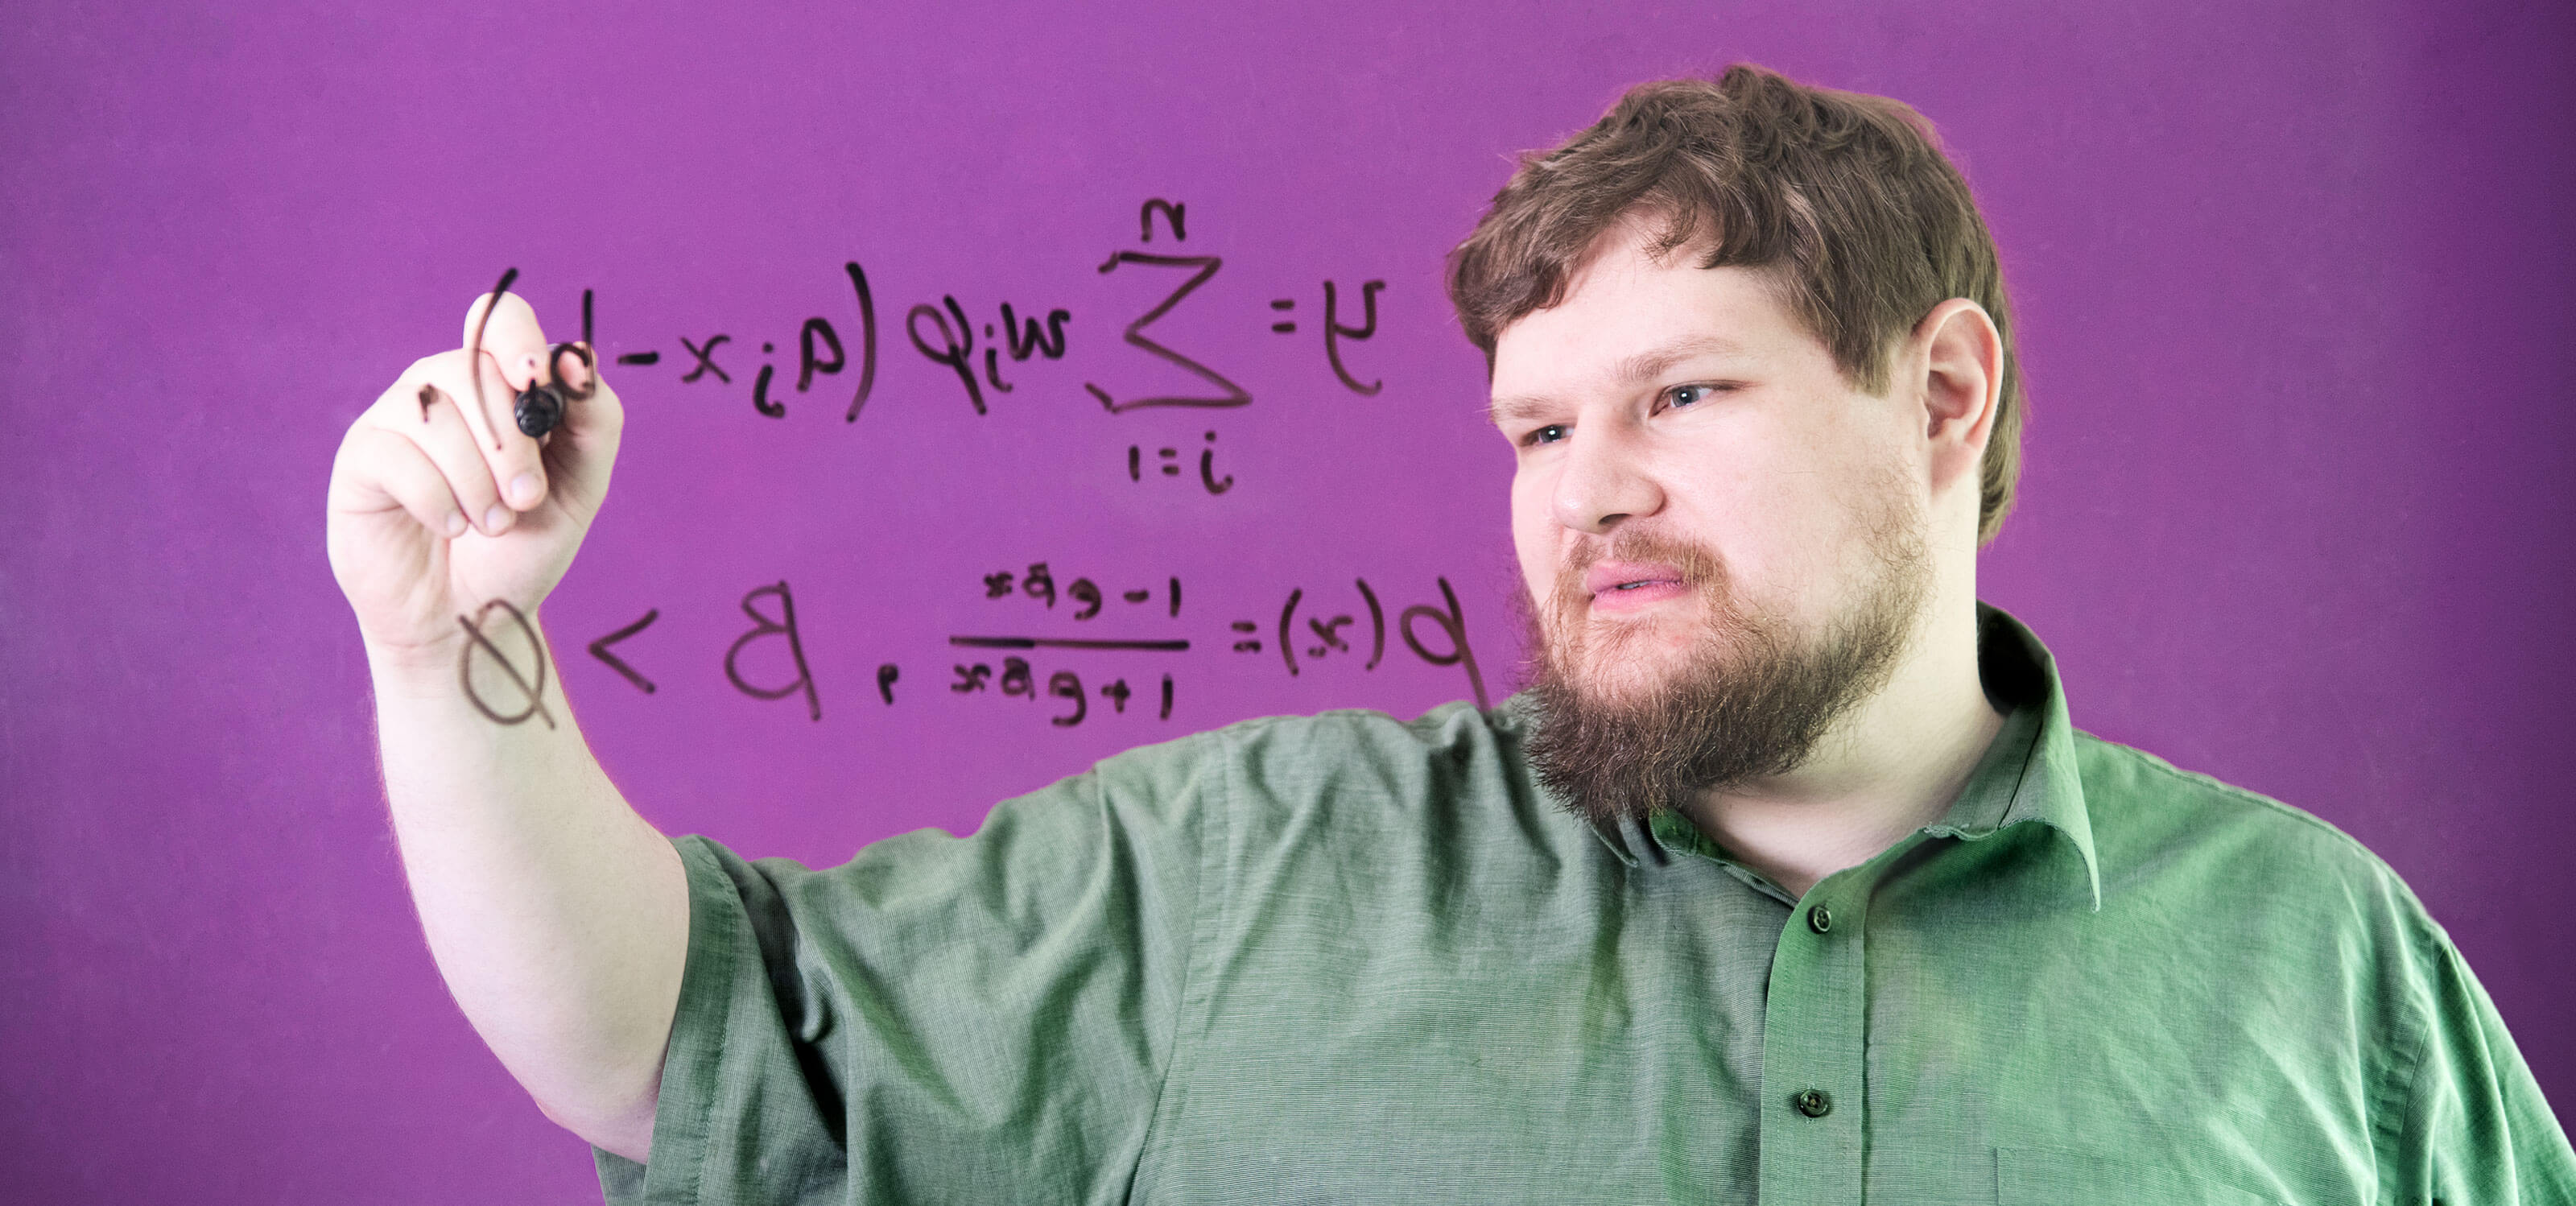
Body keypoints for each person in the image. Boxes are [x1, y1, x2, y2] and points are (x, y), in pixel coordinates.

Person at [326, 65, 2574, 1203]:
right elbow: (680, 1037)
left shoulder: (2324, 970)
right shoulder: (1248, 871)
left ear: (1945, 392)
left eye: (1682, 395)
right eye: (1534, 424)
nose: (1584, 487)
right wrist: (458, 653)